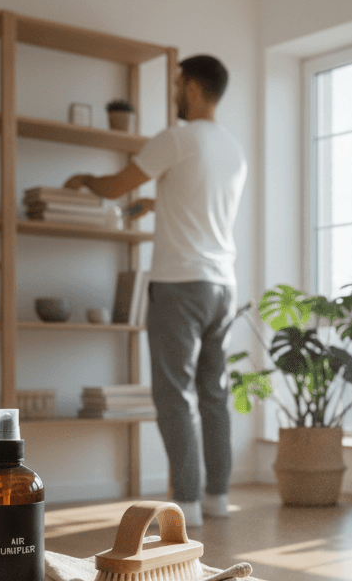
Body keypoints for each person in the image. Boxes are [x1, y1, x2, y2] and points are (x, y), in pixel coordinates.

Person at [65, 55, 246, 527]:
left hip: (180, 284)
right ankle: (216, 499)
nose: (172, 92)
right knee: (213, 395)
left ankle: (184, 503)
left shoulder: (177, 138)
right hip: (222, 285)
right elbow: (196, 199)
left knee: (173, 394)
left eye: (175, 83)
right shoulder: (232, 148)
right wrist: (156, 202)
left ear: (191, 87)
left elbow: (115, 185)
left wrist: (86, 180)